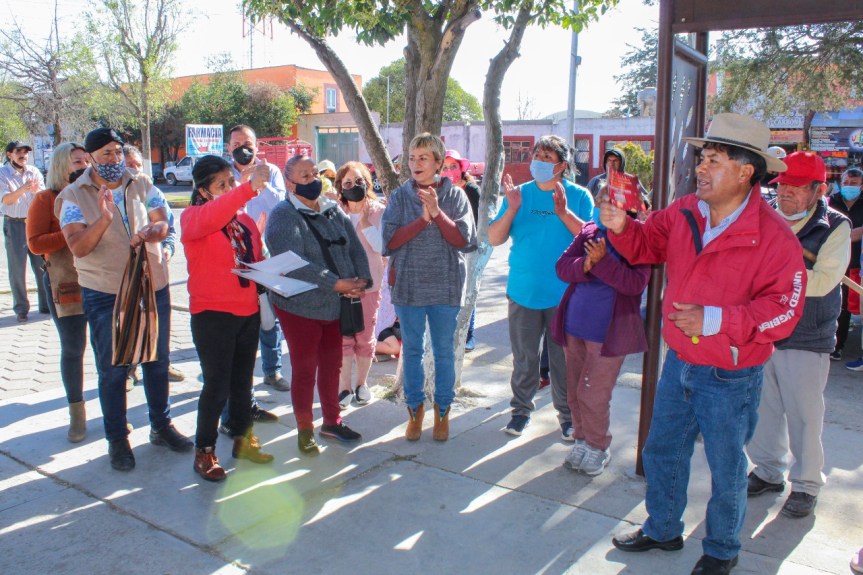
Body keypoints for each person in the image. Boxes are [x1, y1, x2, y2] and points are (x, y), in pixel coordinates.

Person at [605, 113, 806, 575]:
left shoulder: (774, 236)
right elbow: (647, 244)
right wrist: (621, 227)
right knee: (662, 450)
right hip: (680, 361)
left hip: (731, 374)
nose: (701, 167)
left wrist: (715, 319)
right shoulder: (683, 211)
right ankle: (663, 529)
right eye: (702, 157)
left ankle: (720, 549)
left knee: (726, 468)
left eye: (714, 159)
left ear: (745, 171)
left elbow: (784, 311)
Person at [56, 127, 192, 472]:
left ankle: (161, 426)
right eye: (106, 154)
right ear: (90, 158)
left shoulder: (141, 182)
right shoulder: (74, 195)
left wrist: (153, 233)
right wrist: (102, 218)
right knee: (114, 370)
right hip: (106, 292)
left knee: (156, 361)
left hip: (152, 285)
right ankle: (117, 438)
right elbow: (78, 247)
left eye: (118, 152)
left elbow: (163, 221)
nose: (115, 160)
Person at [746, 152, 850, 518]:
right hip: (762, 330)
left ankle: (806, 485)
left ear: (819, 190)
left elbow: (823, 281)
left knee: (804, 414)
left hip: (807, 334)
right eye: (783, 185)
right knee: (763, 409)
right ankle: (767, 471)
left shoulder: (834, 225)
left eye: (795, 187)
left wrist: (775, 276)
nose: (786, 192)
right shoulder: (765, 214)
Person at [488, 135, 594, 439]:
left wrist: (562, 213)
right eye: (537, 156)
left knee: (563, 362)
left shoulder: (579, 196)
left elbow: (590, 239)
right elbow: (494, 238)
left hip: (565, 296)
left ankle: (567, 416)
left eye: (547, 159)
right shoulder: (517, 195)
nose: (539, 162)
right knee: (525, 359)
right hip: (523, 291)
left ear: (562, 165)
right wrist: (510, 209)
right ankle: (520, 412)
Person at [265, 154, 369, 455]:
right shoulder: (282, 215)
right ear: (290, 182)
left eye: (315, 174)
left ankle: (332, 421)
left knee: (332, 364)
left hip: (335, 304)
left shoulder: (332, 208)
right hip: (300, 306)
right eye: (305, 176)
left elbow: (354, 247)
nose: (313, 181)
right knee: (305, 368)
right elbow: (293, 263)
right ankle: (305, 429)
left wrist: (360, 281)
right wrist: (336, 283)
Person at [181, 155, 275, 482]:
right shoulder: (194, 218)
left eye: (230, 182)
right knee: (216, 385)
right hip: (212, 315)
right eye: (220, 184)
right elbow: (215, 216)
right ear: (203, 190)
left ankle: (242, 437)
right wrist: (247, 189)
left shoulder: (244, 221)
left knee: (242, 381)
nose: (229, 189)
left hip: (247, 311)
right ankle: (204, 450)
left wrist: (264, 258)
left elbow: (256, 262)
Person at [381, 133, 477, 442]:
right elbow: (390, 242)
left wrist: (437, 213)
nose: (415, 164)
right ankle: (414, 411)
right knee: (410, 351)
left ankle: (443, 413)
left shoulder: (456, 196)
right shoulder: (399, 197)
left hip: (445, 288)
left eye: (423, 158)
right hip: (408, 288)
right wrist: (423, 220)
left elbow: (464, 241)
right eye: (411, 158)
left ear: (439, 162)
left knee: (443, 352)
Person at [551, 185, 650, 476]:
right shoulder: (590, 231)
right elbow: (562, 267)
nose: (604, 205)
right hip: (574, 326)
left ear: (628, 205)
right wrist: (587, 263)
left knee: (593, 393)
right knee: (575, 391)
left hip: (608, 334)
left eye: (611, 201)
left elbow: (634, 285)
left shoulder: (640, 238)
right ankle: (582, 440)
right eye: (602, 200)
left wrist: (603, 263)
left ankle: (598, 446)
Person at [26, 143, 89, 442]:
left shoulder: (92, 194)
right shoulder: (45, 199)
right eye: (77, 161)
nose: (84, 166)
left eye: (86, 161)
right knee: (74, 348)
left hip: (101, 281)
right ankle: (77, 415)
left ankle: (115, 412)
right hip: (66, 284)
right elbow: (35, 244)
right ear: (63, 165)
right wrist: (71, 231)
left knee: (108, 350)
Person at [228, 124, 289, 394]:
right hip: (231, 254)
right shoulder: (223, 173)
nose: (243, 147)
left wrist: (260, 184)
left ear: (257, 146)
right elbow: (215, 205)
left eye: (248, 142)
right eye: (237, 142)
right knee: (236, 318)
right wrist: (242, 186)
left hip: (265, 255)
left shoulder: (272, 171)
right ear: (229, 147)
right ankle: (237, 375)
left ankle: (272, 370)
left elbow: (281, 205)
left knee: (268, 315)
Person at [123, 144, 185, 386]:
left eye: (138, 165)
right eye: (129, 166)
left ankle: (163, 363)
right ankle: (129, 369)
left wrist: (168, 248)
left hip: (155, 270)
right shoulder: (116, 195)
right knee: (132, 322)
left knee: (159, 321)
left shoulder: (152, 193)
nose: (135, 170)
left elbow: (169, 226)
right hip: (126, 273)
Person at [334, 161, 387, 408]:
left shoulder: (378, 211)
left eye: (359, 181)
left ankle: (361, 384)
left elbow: (382, 247)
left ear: (367, 183)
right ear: (340, 187)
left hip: (369, 285)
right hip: (342, 286)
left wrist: (365, 223)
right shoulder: (334, 212)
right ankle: (344, 387)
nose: (353, 186)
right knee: (343, 338)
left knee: (365, 338)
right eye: (347, 182)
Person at [1, 140, 48, 322]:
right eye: (18, 151)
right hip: (14, 224)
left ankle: (45, 304)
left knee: (42, 266)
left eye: (26, 152)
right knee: (17, 268)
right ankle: (21, 308)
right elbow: (6, 201)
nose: (23, 155)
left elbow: (42, 199)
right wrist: (23, 189)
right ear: (9, 154)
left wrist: (35, 192)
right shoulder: (3, 174)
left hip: (35, 223)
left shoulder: (34, 172)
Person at [442, 148, 481, 351]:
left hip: (468, 250)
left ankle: (468, 336)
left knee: (467, 292)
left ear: (461, 168)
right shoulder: (441, 190)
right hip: (446, 250)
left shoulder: (471, 191)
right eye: (445, 167)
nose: (449, 170)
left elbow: (478, 223)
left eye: (453, 166)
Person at [827, 167, 863, 361]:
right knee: (837, 304)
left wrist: (843, 236)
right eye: (847, 183)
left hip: (858, 262)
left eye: (854, 184)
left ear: (861, 186)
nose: (849, 187)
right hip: (835, 258)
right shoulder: (833, 201)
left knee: (852, 304)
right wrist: (853, 234)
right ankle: (836, 345)